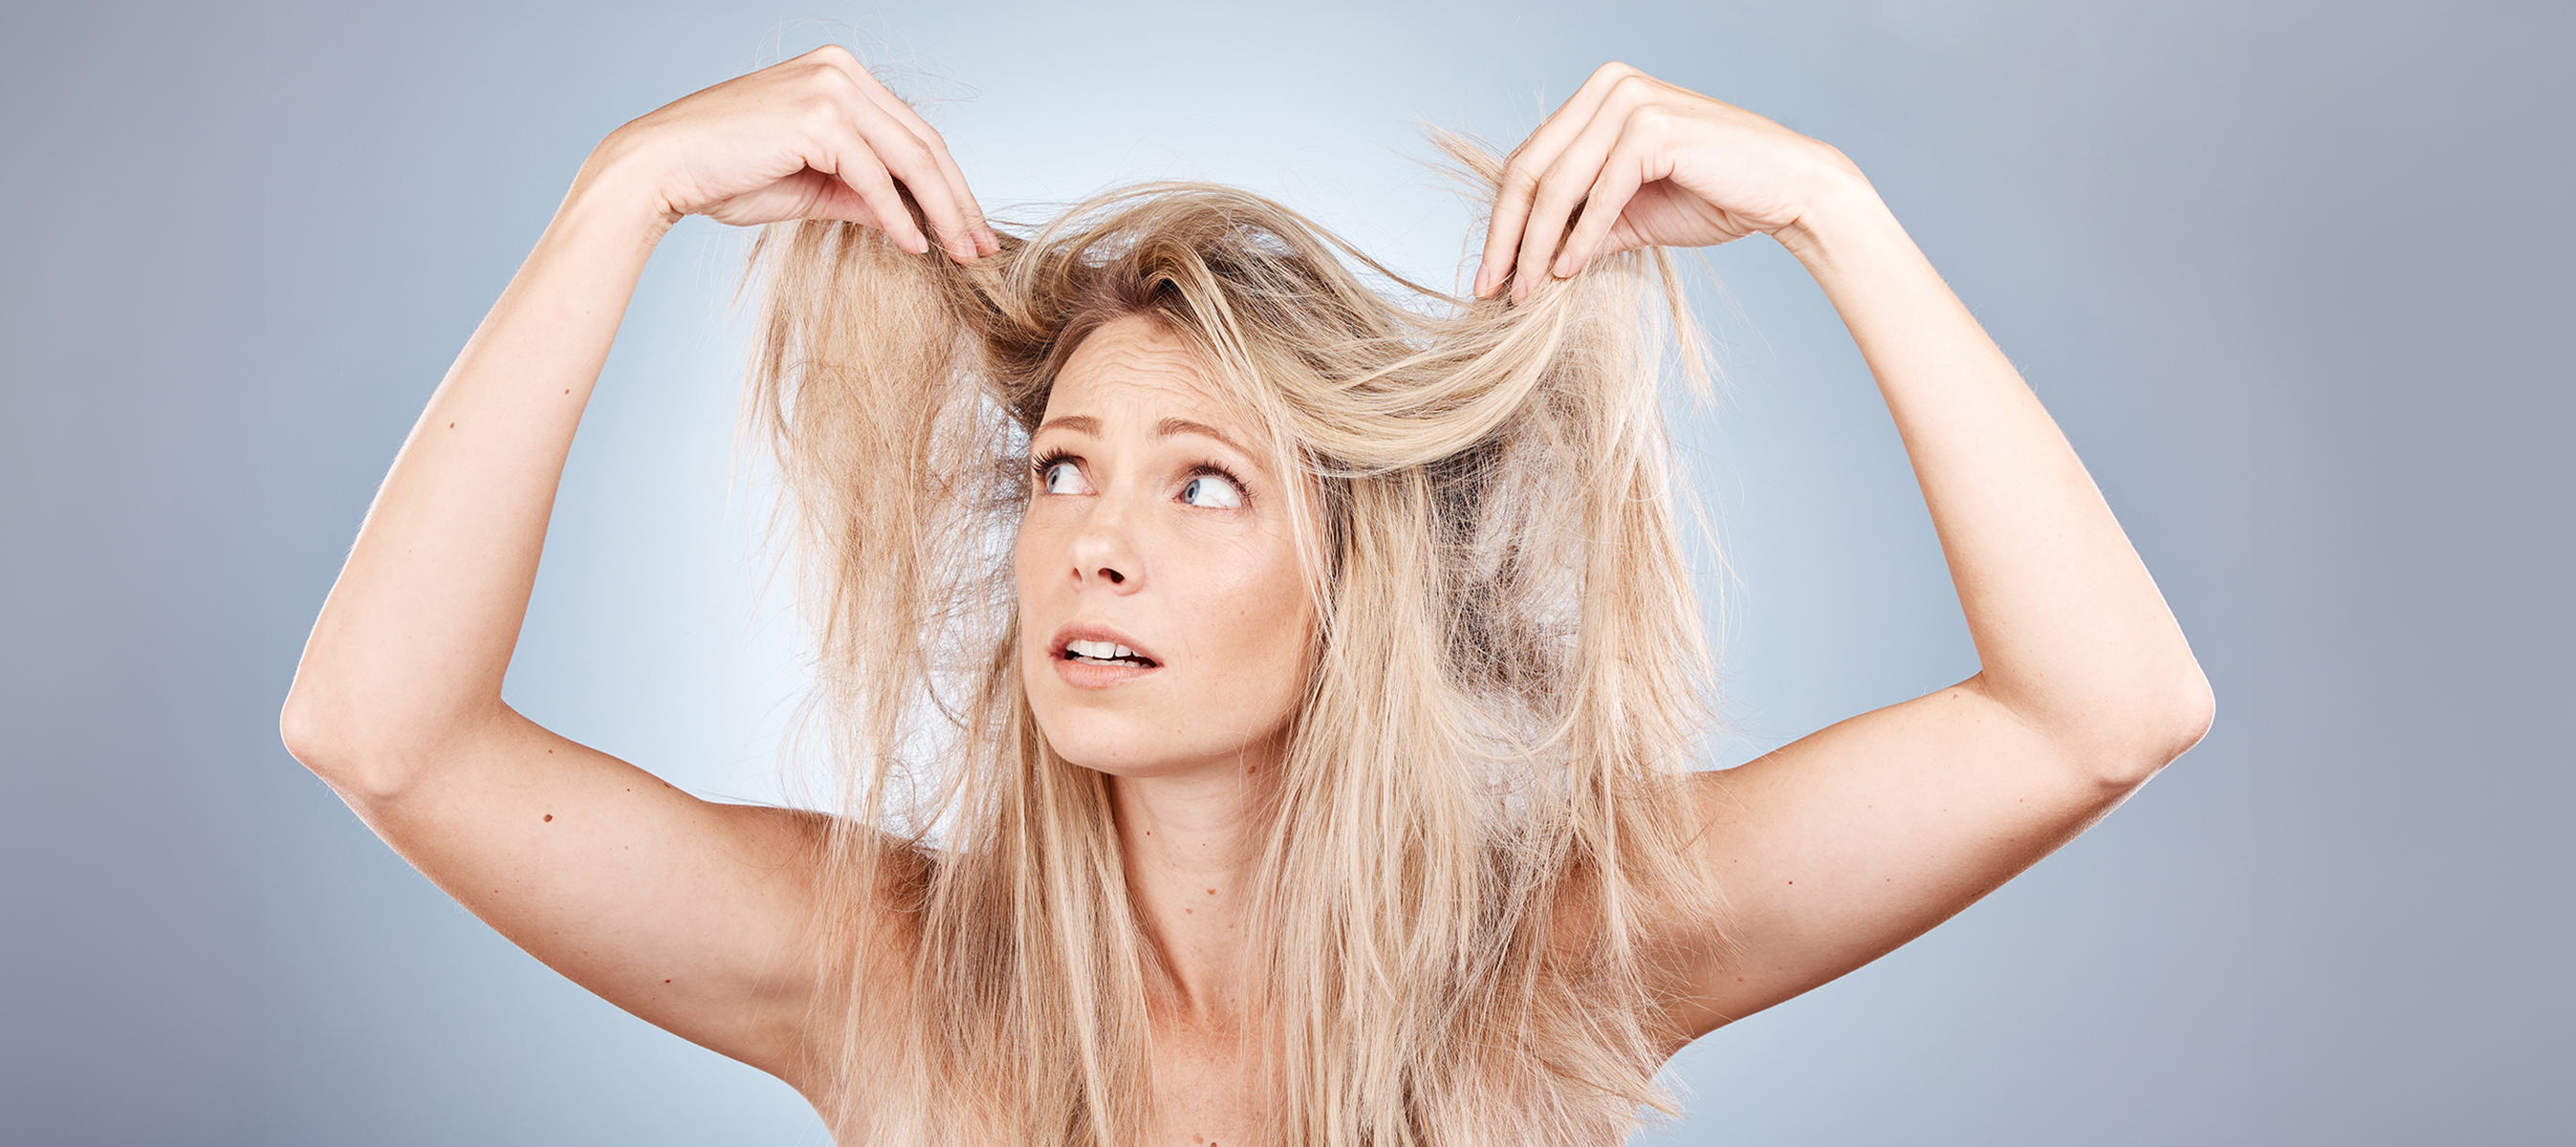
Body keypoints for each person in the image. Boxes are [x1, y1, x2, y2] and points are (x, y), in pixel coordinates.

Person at [281, 46, 2212, 1147]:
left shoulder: (1551, 969)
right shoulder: (882, 972)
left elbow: (2102, 707)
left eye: (1203, 483)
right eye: (1064, 471)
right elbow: (380, 734)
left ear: (1354, 580)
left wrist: (1833, 212)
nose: (1092, 543)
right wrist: (618, 192)